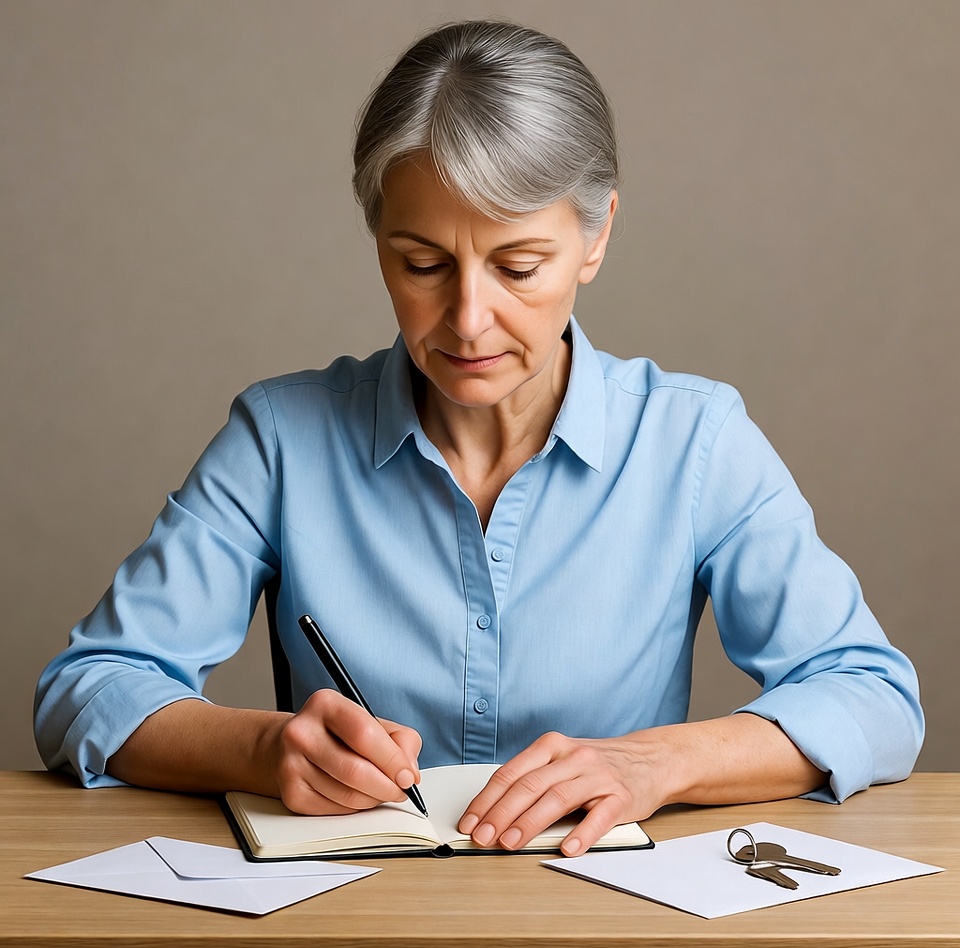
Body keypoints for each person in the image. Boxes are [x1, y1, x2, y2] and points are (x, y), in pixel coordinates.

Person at [35, 19, 922, 857]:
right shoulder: (280, 440)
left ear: (596, 237)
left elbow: (873, 697)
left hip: (609, 916)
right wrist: (263, 749)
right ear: (377, 240)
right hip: (351, 918)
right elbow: (88, 687)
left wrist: (657, 763)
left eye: (518, 267)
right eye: (421, 263)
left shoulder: (693, 441)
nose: (467, 319)